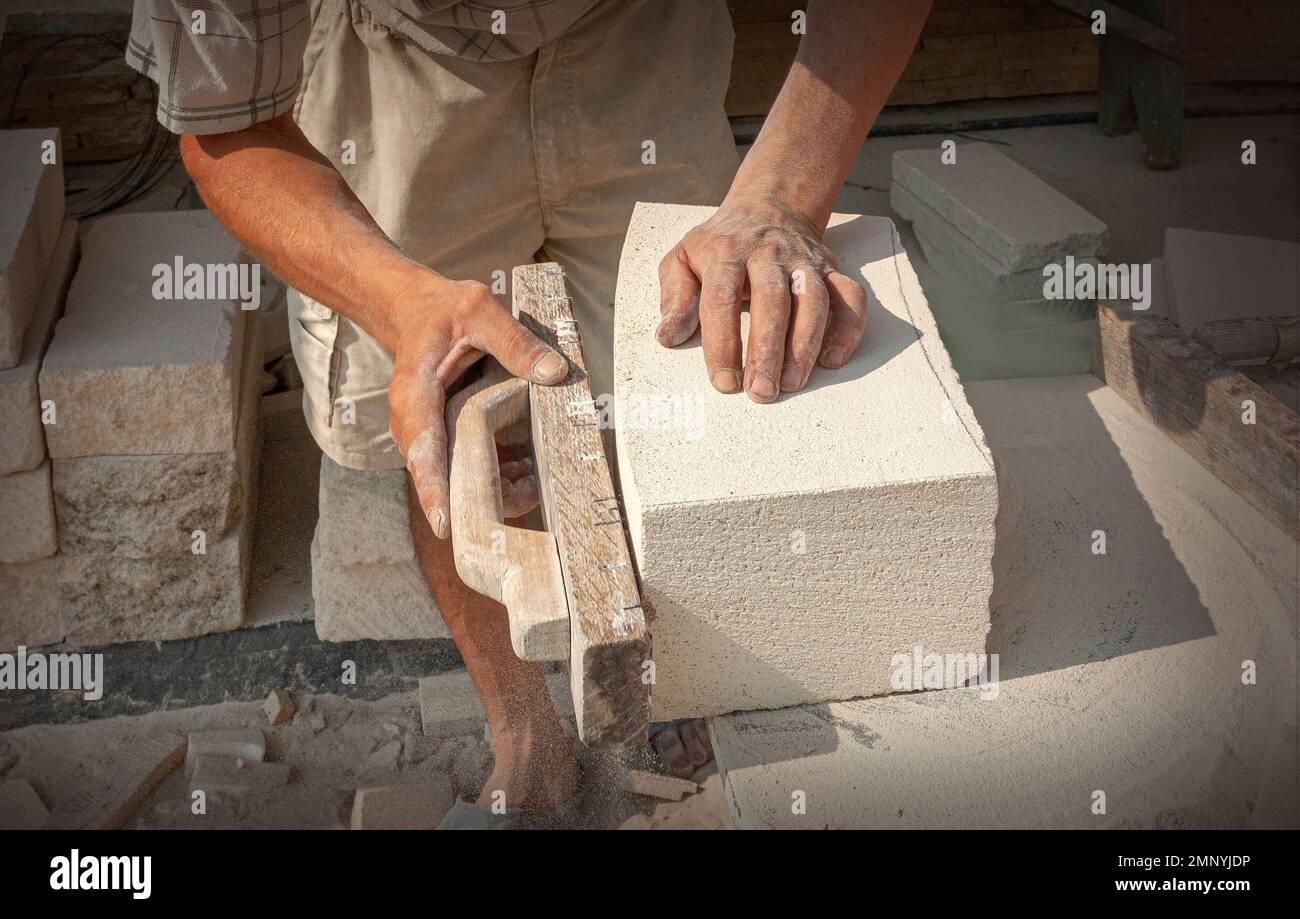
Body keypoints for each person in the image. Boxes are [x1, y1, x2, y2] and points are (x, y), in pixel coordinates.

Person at [127, 0, 929, 810]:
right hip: (402, 59)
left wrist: (782, 196)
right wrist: (403, 305)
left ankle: (669, 697)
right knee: (448, 396)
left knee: (700, 363)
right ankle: (527, 736)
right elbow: (224, 122)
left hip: (641, 34)